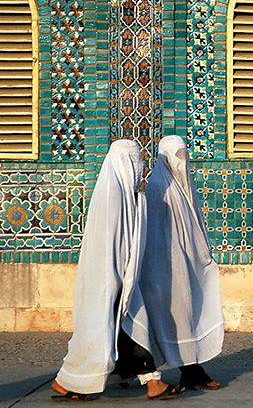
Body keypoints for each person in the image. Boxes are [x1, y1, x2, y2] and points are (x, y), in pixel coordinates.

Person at [51, 140, 184, 401]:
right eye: (134, 162)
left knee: (118, 330)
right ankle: (151, 382)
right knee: (127, 327)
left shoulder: (128, 196)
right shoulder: (113, 195)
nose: (139, 169)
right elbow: (109, 246)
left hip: (121, 279)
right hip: (111, 281)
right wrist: (115, 283)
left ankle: (67, 382)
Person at [125, 135, 224, 391]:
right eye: (177, 156)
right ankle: (189, 372)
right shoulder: (159, 187)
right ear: (166, 158)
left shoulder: (184, 185)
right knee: (176, 320)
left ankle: (189, 371)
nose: (182, 161)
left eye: (184, 155)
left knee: (186, 318)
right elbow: (158, 237)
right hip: (164, 271)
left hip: (185, 268)